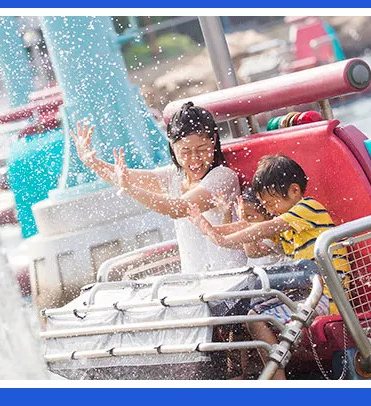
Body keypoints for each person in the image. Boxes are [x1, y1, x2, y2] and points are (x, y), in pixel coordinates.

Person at [189, 154, 350, 379]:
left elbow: (267, 227)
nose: (271, 210)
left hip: (327, 296)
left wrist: (223, 239)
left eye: (272, 203)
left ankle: (277, 379)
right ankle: (265, 375)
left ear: (294, 191)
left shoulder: (307, 209)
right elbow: (253, 250)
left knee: (259, 318)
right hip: (308, 293)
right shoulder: (287, 222)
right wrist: (211, 230)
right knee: (250, 314)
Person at [70, 102, 246, 273]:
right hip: (197, 285)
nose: (195, 159)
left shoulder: (223, 176)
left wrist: (129, 189)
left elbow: (178, 208)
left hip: (234, 286)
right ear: (171, 145)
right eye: (185, 152)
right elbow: (123, 177)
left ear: (214, 140)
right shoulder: (174, 176)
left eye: (201, 149)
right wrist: (92, 163)